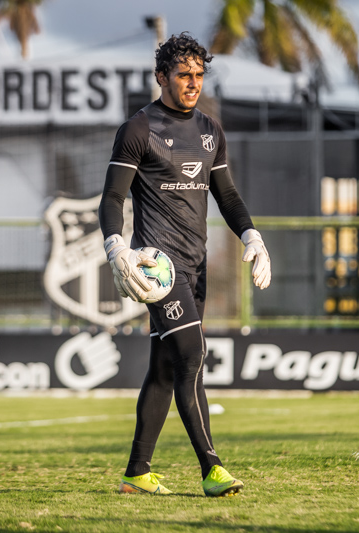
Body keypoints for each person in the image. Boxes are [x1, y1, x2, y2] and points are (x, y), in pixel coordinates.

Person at [98, 32, 271, 497]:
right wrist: (116, 247)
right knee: (192, 357)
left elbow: (228, 195)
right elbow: (112, 197)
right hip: (158, 270)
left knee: (165, 369)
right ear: (161, 77)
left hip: (196, 268)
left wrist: (251, 234)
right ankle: (212, 469)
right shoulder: (138, 129)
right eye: (183, 74)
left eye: (199, 74)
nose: (193, 83)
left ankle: (137, 472)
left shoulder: (211, 131)